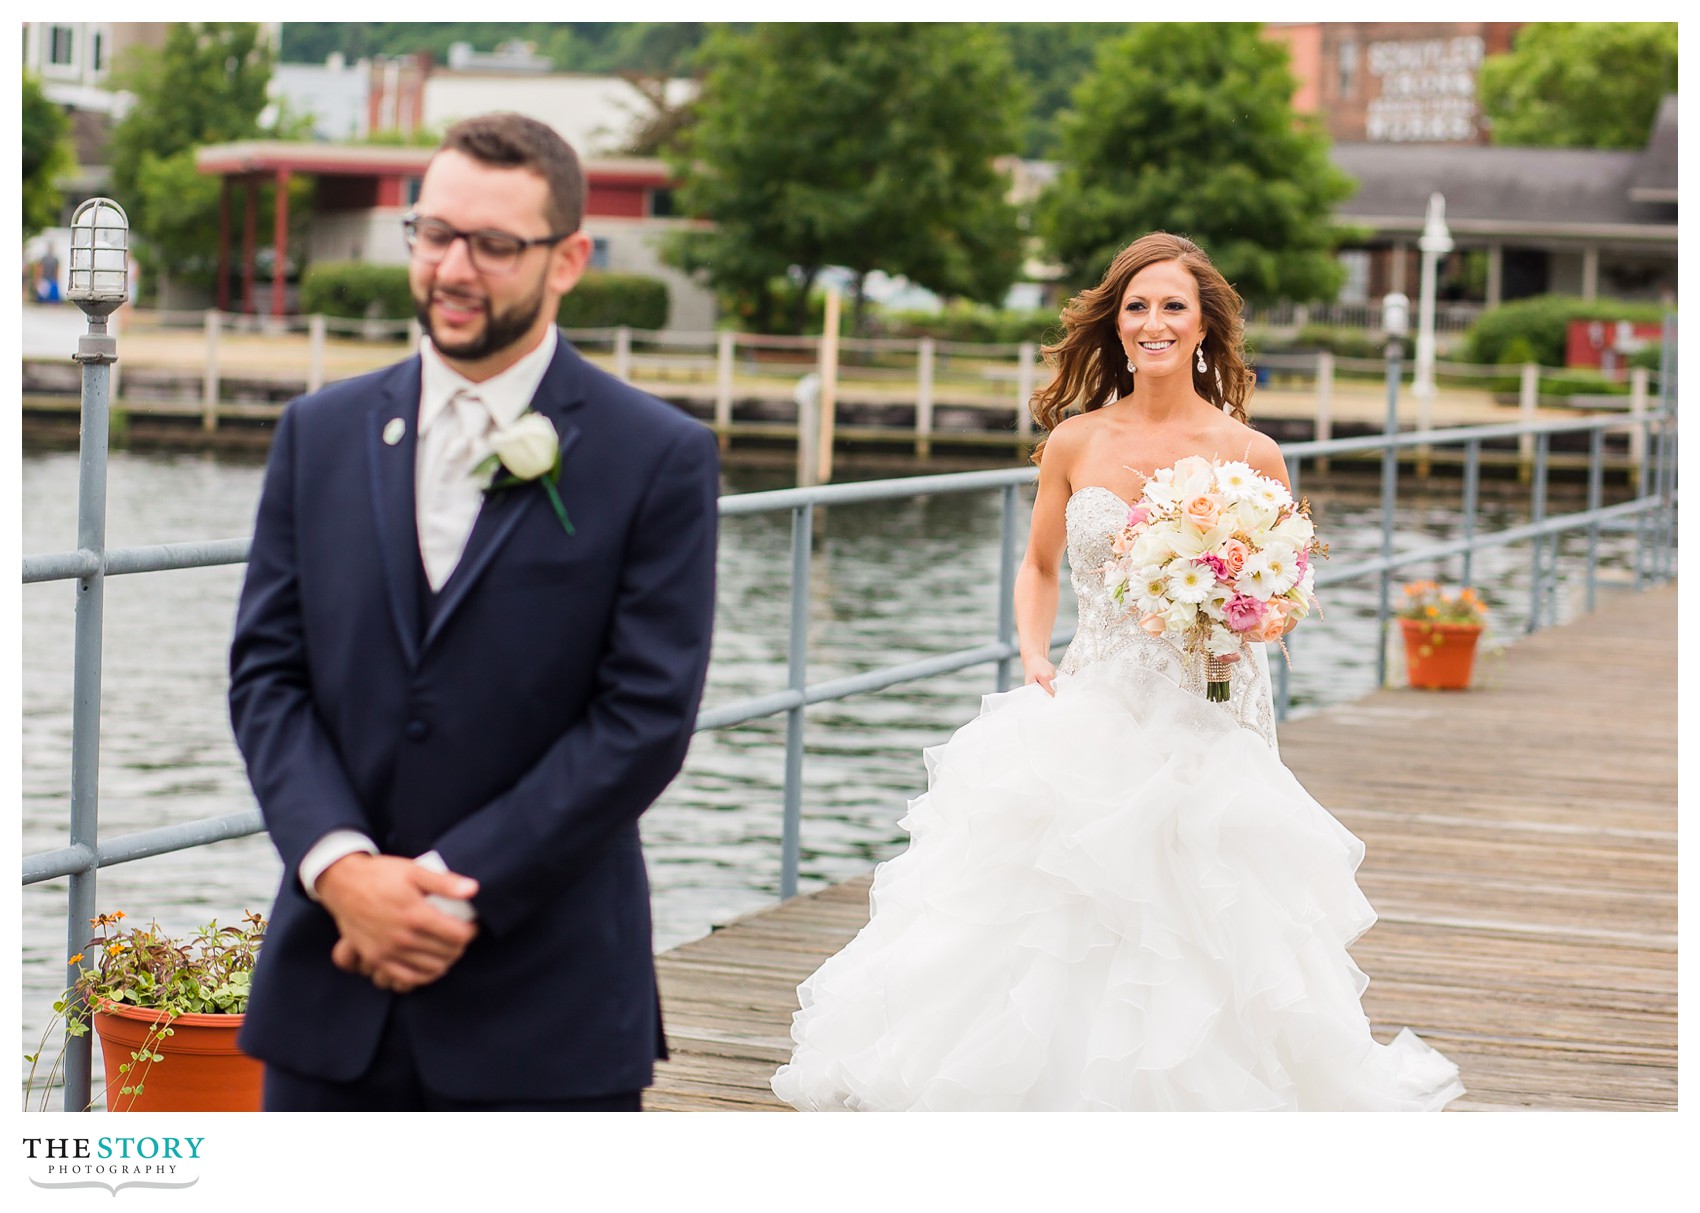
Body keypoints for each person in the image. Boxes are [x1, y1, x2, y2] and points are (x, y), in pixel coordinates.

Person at [770, 232, 1464, 1111]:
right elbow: (1041, 567)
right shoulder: (1075, 441)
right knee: (1060, 905)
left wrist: (1238, 607)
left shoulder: (1253, 456)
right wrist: (1030, 650)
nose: (1153, 322)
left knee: (1206, 912)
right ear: (1117, 324)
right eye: (1136, 306)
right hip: (1094, 701)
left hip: (1208, 715)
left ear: (1205, 324)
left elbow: (1286, 595)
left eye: (1173, 305)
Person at [228, 112, 720, 1112]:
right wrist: (344, 869)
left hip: (546, 1004)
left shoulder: (656, 456)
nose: (453, 268)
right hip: (334, 985)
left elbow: (643, 718)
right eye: (433, 232)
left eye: (493, 245)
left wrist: (453, 885)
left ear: (568, 258)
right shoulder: (315, 433)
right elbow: (267, 678)